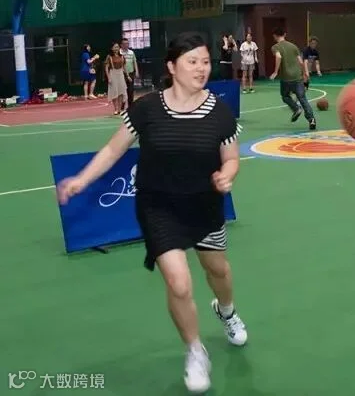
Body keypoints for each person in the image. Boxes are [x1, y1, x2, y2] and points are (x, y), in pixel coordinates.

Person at [57, 33, 249, 394]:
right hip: (158, 206)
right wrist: (81, 179)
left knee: (218, 271)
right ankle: (195, 350)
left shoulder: (220, 112)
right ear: (172, 66)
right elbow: (113, 150)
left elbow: (232, 157)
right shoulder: (147, 109)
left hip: (204, 206)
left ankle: (226, 311)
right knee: (178, 283)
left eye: (205, 62)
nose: (201, 68)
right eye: (192, 61)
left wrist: (228, 174)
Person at [269, 27, 316, 130]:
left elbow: (278, 57)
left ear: (275, 36)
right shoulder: (293, 46)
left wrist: (275, 72)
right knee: (302, 98)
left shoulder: (275, 47)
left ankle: (296, 109)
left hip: (286, 78)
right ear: (285, 34)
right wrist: (305, 73)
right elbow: (300, 61)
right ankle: (311, 119)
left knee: (285, 96)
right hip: (297, 77)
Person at [105, 42, 128, 116]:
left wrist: (127, 76)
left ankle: (119, 109)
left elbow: (124, 67)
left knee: (121, 92)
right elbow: (106, 68)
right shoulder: (109, 57)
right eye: (115, 47)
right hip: (113, 74)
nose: (116, 48)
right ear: (112, 48)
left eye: (117, 47)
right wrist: (108, 77)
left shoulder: (122, 56)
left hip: (120, 74)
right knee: (114, 92)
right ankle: (115, 109)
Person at [120, 38, 139, 110]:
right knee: (122, 90)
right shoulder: (119, 53)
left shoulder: (131, 52)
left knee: (130, 90)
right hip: (122, 74)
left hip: (131, 73)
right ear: (121, 45)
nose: (126, 45)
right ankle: (122, 106)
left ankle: (131, 106)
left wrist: (137, 71)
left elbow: (134, 62)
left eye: (127, 43)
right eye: (124, 44)